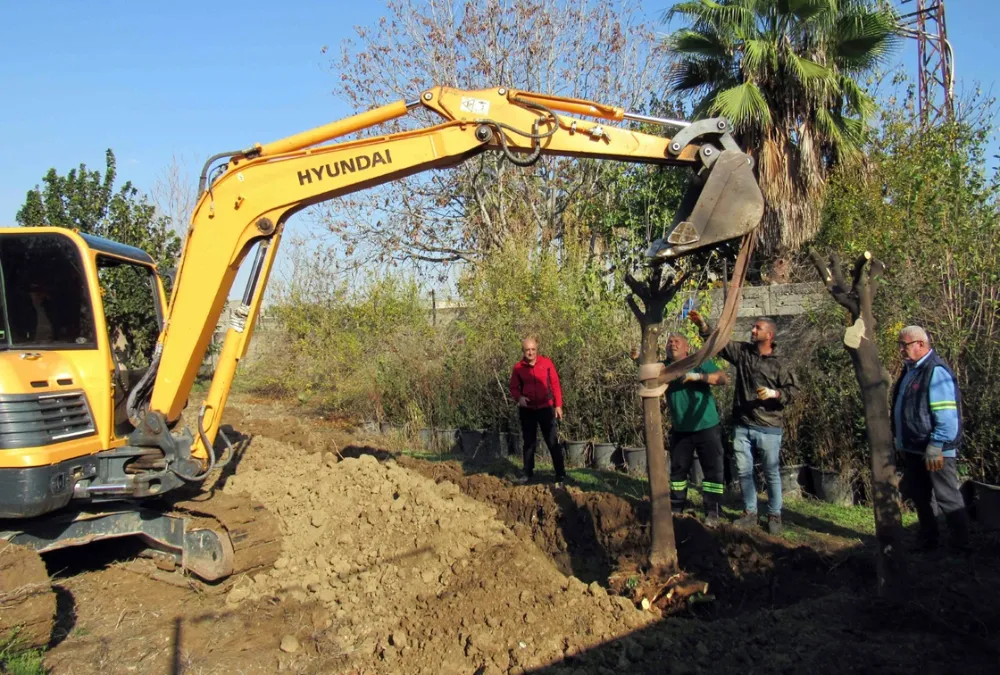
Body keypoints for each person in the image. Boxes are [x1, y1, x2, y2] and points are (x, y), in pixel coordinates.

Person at [689, 311, 799, 534]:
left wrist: (775, 394)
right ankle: (750, 512)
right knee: (744, 472)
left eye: (757, 328)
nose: (752, 330)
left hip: (769, 427)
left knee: (771, 473)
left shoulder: (780, 363)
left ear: (769, 334)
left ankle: (774, 515)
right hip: (742, 424)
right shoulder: (743, 353)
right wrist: (703, 325)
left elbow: (794, 391)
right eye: (753, 327)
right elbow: (720, 344)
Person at [891, 325, 970, 552]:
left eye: (904, 345)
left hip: (935, 450)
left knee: (947, 497)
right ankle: (928, 540)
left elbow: (946, 415)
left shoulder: (935, 372)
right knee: (921, 496)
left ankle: (961, 545)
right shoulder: (911, 370)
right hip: (916, 448)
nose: (901, 350)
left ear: (921, 344)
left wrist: (936, 444)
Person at [663, 333, 730, 526]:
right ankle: (676, 508)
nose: (672, 344)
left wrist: (699, 376)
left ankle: (713, 512)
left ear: (687, 348)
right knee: (678, 472)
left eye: (677, 342)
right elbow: (648, 374)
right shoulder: (665, 368)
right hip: (681, 429)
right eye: (669, 342)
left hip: (706, 426)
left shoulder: (698, 362)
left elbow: (723, 379)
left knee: (712, 471)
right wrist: (637, 359)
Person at [509, 336, 566, 486]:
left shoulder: (546, 364)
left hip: (545, 408)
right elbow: (513, 388)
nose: (530, 352)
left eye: (533, 349)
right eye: (527, 350)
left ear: (537, 349)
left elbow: (555, 384)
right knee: (529, 443)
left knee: (552, 441)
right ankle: (527, 472)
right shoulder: (518, 368)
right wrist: (518, 398)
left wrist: (558, 405)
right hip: (527, 410)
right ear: (523, 351)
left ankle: (560, 474)